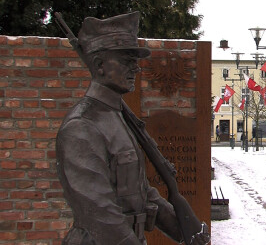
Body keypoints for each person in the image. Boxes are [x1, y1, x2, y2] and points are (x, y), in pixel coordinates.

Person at [56, 12, 209, 245]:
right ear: (99, 65)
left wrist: (185, 230)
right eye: (127, 61)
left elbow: (141, 192)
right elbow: (101, 215)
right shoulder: (82, 126)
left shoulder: (116, 118)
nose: (136, 69)